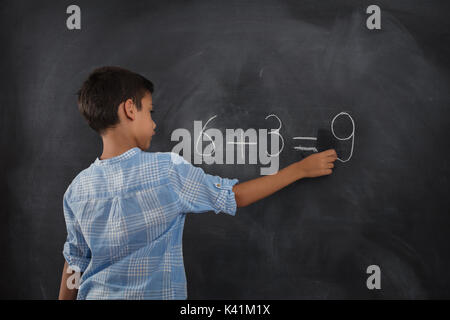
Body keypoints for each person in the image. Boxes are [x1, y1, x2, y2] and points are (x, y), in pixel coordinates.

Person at [58, 66, 337, 299]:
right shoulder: (167, 170)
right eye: (150, 112)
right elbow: (234, 196)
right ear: (130, 109)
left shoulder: (77, 190)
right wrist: (299, 169)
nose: (155, 125)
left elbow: (75, 262)